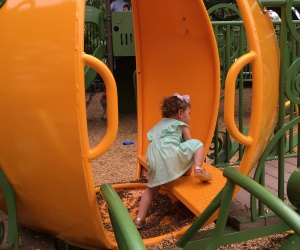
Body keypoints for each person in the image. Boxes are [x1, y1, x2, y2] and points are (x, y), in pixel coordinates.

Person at [134, 93, 211, 228]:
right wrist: (191, 168)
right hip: (169, 155)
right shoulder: (180, 124)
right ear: (180, 113)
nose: (190, 117)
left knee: (150, 190)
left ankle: (139, 219)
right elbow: (190, 145)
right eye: (189, 113)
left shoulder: (158, 125)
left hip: (153, 159)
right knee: (197, 144)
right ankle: (199, 168)